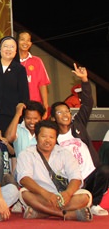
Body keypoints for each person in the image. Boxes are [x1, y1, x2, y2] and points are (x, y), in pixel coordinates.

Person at [50, 64, 109, 216]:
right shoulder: (52, 136)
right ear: (53, 117)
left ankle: (94, 204)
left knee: (105, 170)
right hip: (71, 181)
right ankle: (78, 204)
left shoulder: (78, 125)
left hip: (89, 175)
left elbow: (88, 104)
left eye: (67, 111)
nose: (65, 114)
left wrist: (84, 80)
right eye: (60, 112)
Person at [16, 120, 93, 221]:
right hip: (40, 195)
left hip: (63, 196)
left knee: (85, 197)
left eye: (51, 137)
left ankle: (42, 213)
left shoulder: (64, 153)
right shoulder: (26, 154)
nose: (48, 140)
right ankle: (66, 215)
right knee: (24, 194)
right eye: (44, 136)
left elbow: (76, 177)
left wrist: (68, 193)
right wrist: (46, 194)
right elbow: (24, 179)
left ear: (56, 138)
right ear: (36, 137)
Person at [18, 31, 51, 118]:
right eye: (22, 40)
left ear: (31, 43)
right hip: (16, 104)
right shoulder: (12, 61)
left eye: (28, 40)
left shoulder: (37, 61)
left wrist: (45, 106)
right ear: (16, 41)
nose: (25, 43)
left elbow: (42, 84)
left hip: (34, 104)